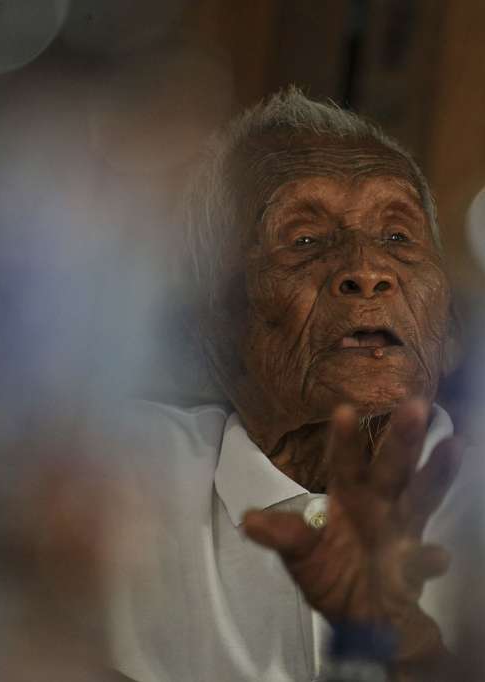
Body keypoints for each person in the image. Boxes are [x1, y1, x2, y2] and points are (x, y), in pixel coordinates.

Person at [104, 88, 464, 682]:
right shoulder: (125, 476)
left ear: (447, 323)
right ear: (209, 319)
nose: (367, 270)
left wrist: (404, 637)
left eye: (399, 236)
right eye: (304, 240)